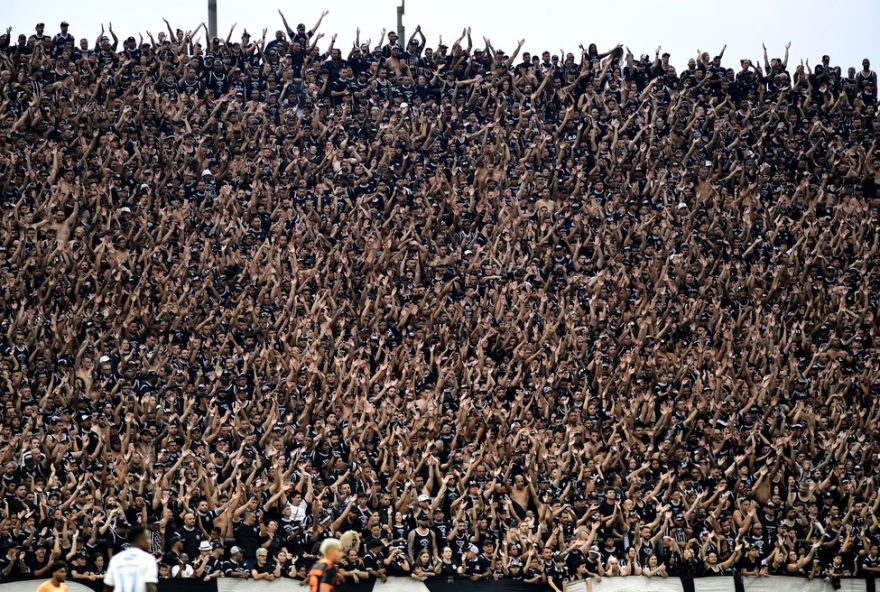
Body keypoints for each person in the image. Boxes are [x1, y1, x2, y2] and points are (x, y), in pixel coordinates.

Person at [103, 528, 158, 592]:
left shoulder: (116, 559)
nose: (150, 541)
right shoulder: (148, 559)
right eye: (147, 538)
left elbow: (108, 588)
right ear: (140, 540)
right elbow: (150, 587)